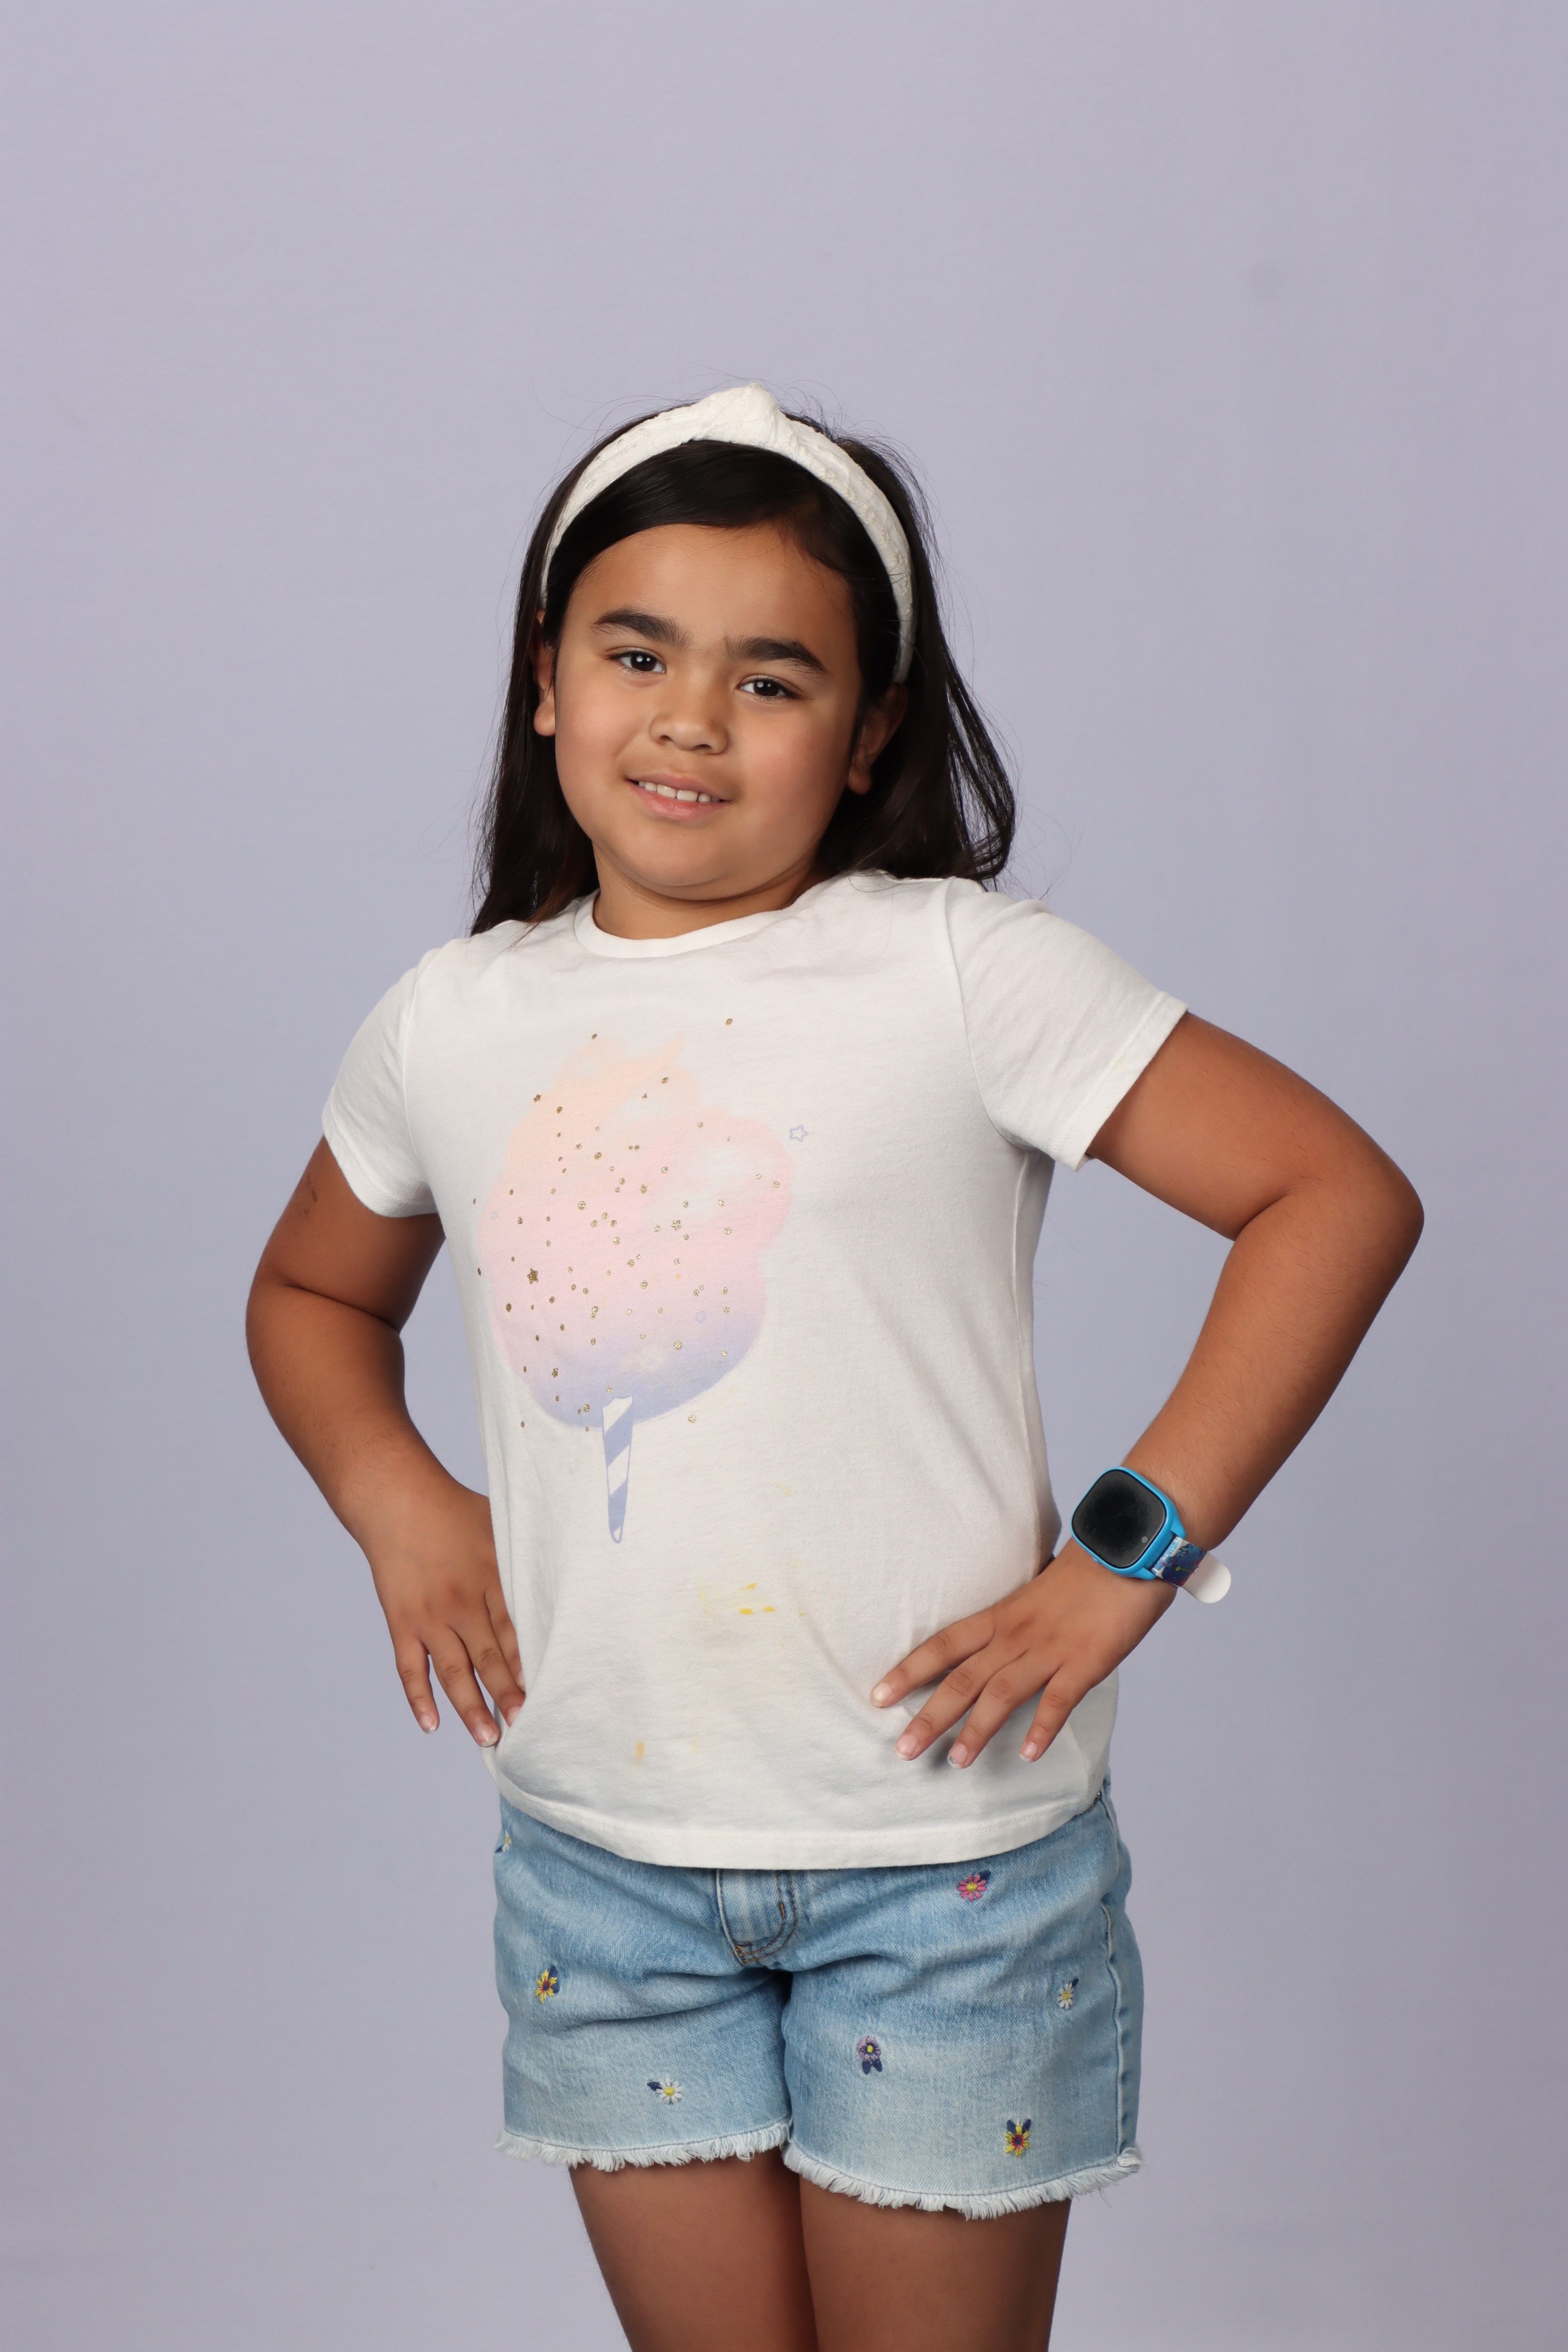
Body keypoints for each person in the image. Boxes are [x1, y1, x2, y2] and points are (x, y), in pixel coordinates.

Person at [246, 384, 1422, 2352]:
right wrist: (399, 1501)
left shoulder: (957, 969)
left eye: (771, 676)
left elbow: (1329, 1193)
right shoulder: (450, 1018)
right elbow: (309, 1293)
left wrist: (1123, 1557)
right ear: (545, 681)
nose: (692, 720)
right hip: (601, 1870)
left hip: (943, 1875)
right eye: (636, 654)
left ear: (868, 731)